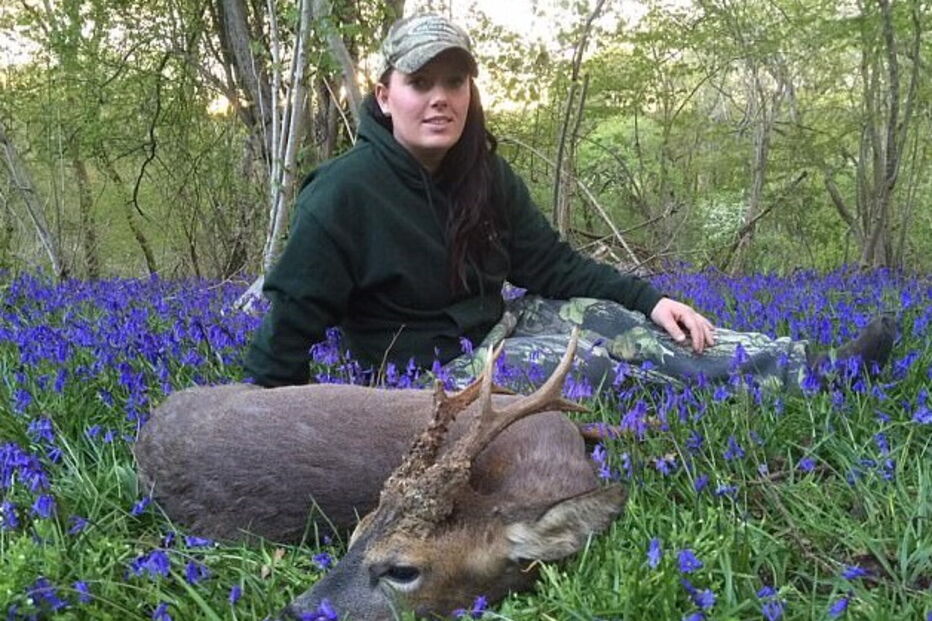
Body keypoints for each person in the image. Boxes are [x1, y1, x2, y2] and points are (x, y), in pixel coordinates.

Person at [244, 13, 895, 393]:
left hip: (501, 327)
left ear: (470, 91)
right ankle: (767, 384)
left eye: (454, 82)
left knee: (620, 322)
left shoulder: (485, 174)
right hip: (429, 376)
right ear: (385, 96)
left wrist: (649, 299)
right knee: (587, 362)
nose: (439, 97)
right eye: (419, 83)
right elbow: (289, 329)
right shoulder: (343, 193)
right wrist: (283, 426)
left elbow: (551, 265)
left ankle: (813, 366)